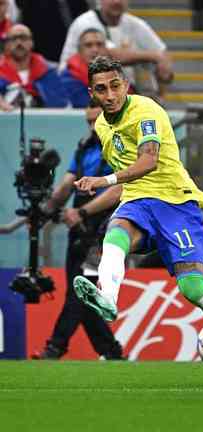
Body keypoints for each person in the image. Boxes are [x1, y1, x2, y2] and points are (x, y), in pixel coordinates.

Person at [72, 56, 203, 385]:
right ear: (92, 93)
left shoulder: (145, 111)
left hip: (176, 202)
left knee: (192, 288)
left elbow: (148, 161)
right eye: (101, 89)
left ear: (125, 85)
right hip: (138, 200)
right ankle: (108, 297)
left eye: (115, 86)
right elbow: (132, 178)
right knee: (114, 235)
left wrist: (102, 181)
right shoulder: (102, 126)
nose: (110, 95)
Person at [32, 103, 124, 361]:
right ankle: (111, 351)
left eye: (98, 120)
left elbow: (119, 191)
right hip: (80, 231)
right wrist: (44, 210)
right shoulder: (85, 147)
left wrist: (82, 212)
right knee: (82, 292)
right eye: (89, 121)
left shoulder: (119, 148)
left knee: (79, 291)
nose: (93, 126)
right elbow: (66, 185)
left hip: (105, 231)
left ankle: (56, 346)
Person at [58, 0, 173, 93]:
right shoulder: (84, 22)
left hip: (115, 90)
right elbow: (109, 55)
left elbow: (163, 53)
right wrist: (154, 56)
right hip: (75, 85)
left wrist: (164, 68)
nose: (117, 2)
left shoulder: (135, 23)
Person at [0, 24, 68, 111]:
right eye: (13, 39)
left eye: (23, 38)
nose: (19, 42)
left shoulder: (49, 72)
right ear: (7, 45)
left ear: (32, 43)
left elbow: (60, 107)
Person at [60, 28, 108, 108]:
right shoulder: (67, 78)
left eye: (99, 45)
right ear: (79, 50)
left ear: (106, 49)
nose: (95, 50)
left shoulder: (118, 76)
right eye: (88, 45)